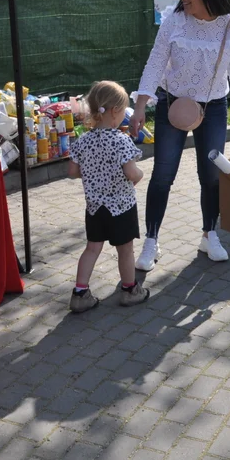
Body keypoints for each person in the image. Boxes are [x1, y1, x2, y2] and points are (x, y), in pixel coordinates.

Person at [129, 0, 230, 269]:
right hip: (171, 105)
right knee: (162, 174)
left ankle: (209, 234)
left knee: (211, 176)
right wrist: (140, 106)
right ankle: (151, 242)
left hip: (212, 108)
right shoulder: (174, 20)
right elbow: (155, 63)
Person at [66, 81, 150, 313]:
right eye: (124, 111)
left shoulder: (83, 140)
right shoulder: (121, 140)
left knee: (92, 248)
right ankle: (130, 289)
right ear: (114, 111)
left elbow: (72, 172)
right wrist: (140, 174)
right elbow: (131, 173)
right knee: (125, 250)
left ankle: (80, 293)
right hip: (121, 207)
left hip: (94, 207)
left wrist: (94, 172)